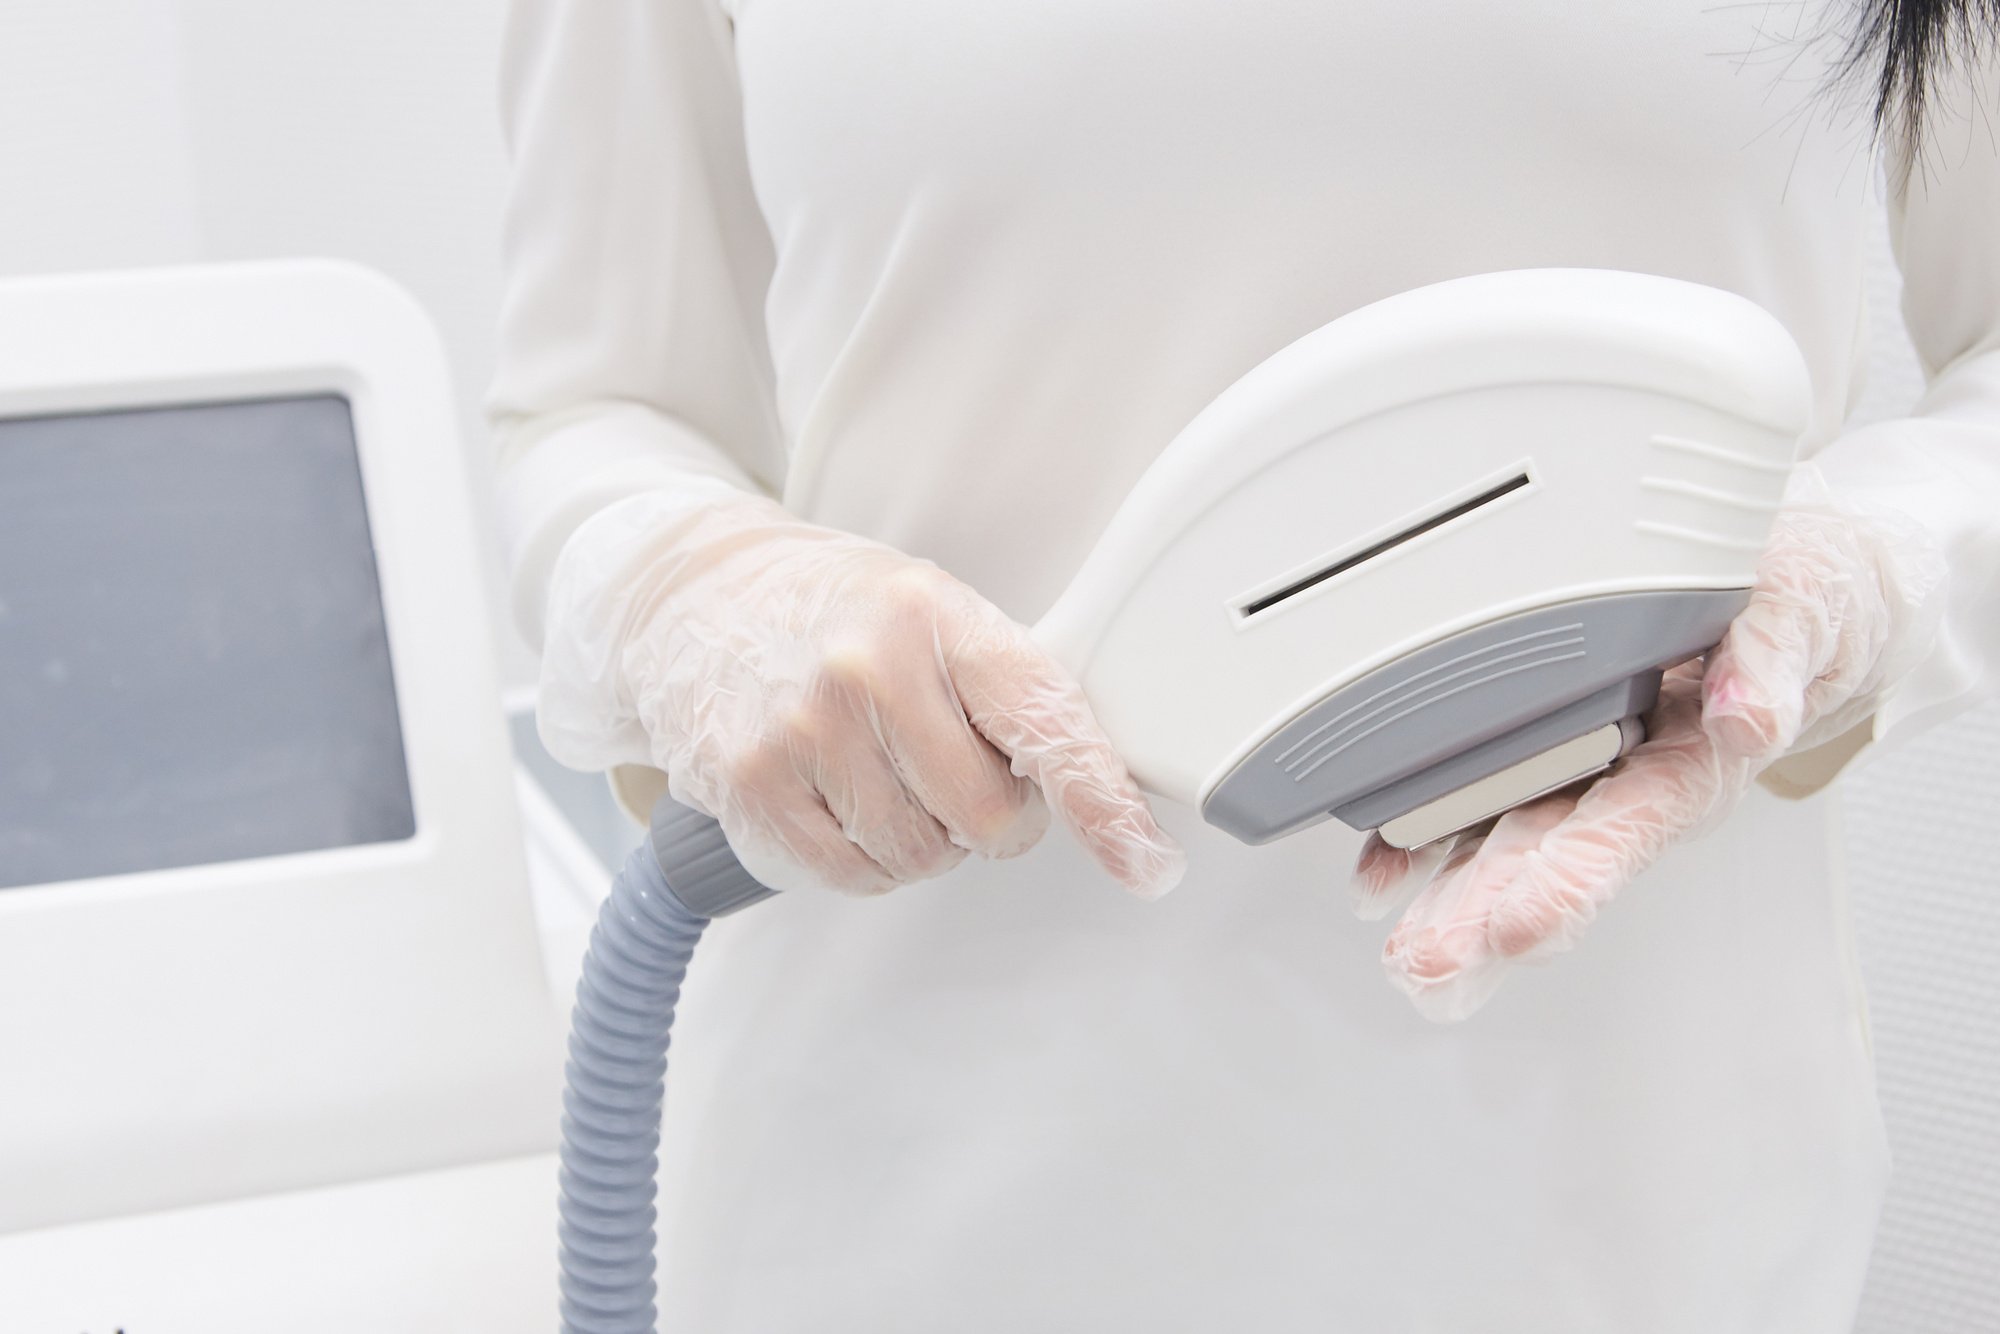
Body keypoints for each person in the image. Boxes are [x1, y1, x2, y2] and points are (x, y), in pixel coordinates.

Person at [486, 2, 2000, 1328]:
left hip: (1627, 1193)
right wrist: (701, 592)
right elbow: (596, 407)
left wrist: (1871, 567)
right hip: (902, 1187)